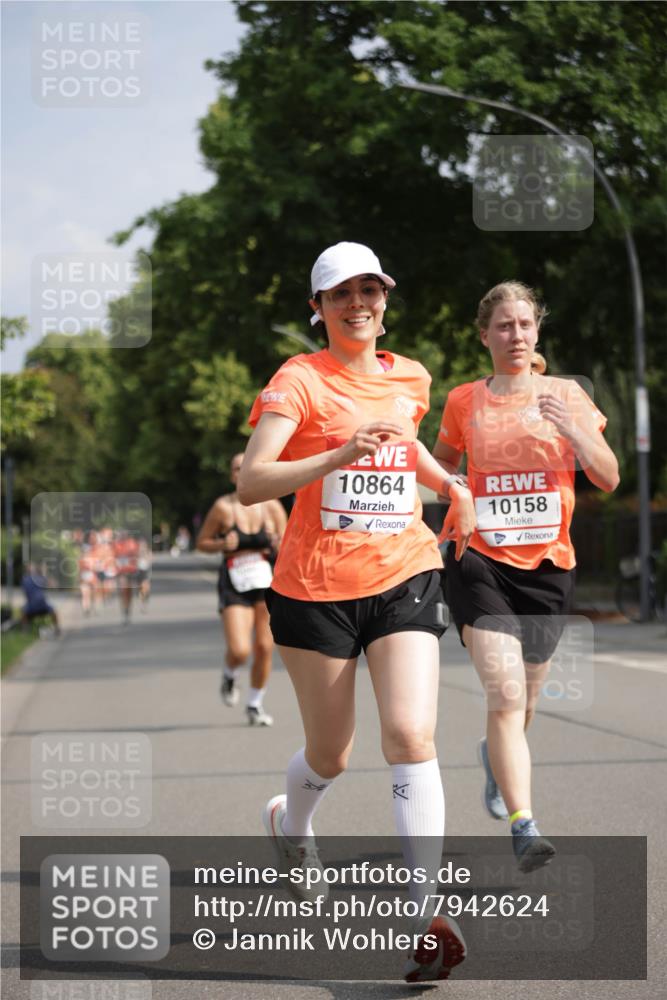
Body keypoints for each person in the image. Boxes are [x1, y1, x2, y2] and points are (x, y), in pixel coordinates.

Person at [238, 242, 476, 982]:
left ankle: (422, 917)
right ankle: (292, 824)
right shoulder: (298, 379)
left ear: (384, 299)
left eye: (368, 290)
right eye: (340, 293)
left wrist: (453, 486)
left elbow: (407, 451)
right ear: (318, 307)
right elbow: (253, 481)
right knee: (331, 753)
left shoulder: (411, 376)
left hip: (404, 570)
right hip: (315, 587)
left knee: (409, 734)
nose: (357, 304)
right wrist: (337, 455)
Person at [433, 281, 619, 873]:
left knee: (524, 702)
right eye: (504, 326)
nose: (516, 335)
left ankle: (495, 757)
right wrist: (455, 492)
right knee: (507, 693)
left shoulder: (567, 395)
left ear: (537, 331)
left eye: (525, 325)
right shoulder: (464, 401)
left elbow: (609, 476)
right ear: (484, 336)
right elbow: (442, 467)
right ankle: (524, 824)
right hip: (479, 560)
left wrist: (573, 429)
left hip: (548, 568)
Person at [196, 454, 287, 726]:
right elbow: (202, 542)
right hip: (235, 583)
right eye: (237, 468)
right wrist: (222, 544)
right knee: (240, 650)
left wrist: (277, 542)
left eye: (247, 466)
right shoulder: (223, 508)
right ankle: (229, 673)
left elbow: (288, 544)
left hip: (266, 582)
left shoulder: (272, 507)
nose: (242, 471)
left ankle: (255, 704)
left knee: (265, 647)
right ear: (232, 475)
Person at [21, 565, 60, 635]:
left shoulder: (26, 579)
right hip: (40, 605)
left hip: (35, 605)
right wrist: (45, 574)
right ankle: (57, 628)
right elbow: (53, 585)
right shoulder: (37, 578)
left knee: (23, 611)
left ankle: (25, 630)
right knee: (54, 611)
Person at [113, 530, 140, 624]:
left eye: (123, 535)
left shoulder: (132, 543)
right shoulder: (116, 545)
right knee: (122, 590)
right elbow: (113, 557)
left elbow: (136, 555)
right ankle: (124, 609)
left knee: (129, 592)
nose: (122, 537)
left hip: (130, 571)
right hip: (121, 572)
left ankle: (128, 608)